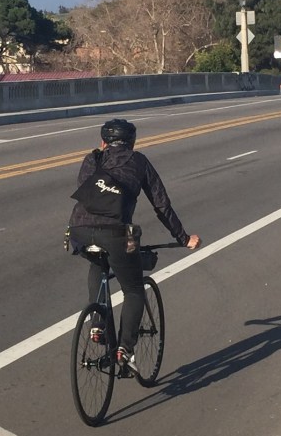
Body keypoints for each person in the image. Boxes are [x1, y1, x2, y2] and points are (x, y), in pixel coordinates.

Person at [68, 118, 200, 371]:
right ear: (132, 142)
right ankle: (125, 349)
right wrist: (183, 238)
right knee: (134, 289)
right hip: (117, 234)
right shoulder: (139, 161)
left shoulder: (91, 159)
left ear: (103, 142)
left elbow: (86, 193)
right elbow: (161, 204)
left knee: (98, 263)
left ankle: (97, 323)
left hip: (79, 230)